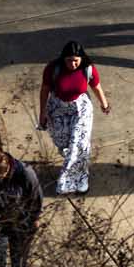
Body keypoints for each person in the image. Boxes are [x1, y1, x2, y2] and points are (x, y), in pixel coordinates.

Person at [36, 42, 109, 195]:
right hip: (58, 108)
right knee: (63, 144)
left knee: (79, 145)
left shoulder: (88, 69)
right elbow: (44, 90)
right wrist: (42, 113)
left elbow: (96, 87)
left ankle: (78, 182)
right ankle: (73, 162)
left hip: (80, 109)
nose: (73, 64)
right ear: (63, 59)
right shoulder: (53, 69)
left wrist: (104, 104)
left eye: (76, 60)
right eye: (69, 60)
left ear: (82, 58)